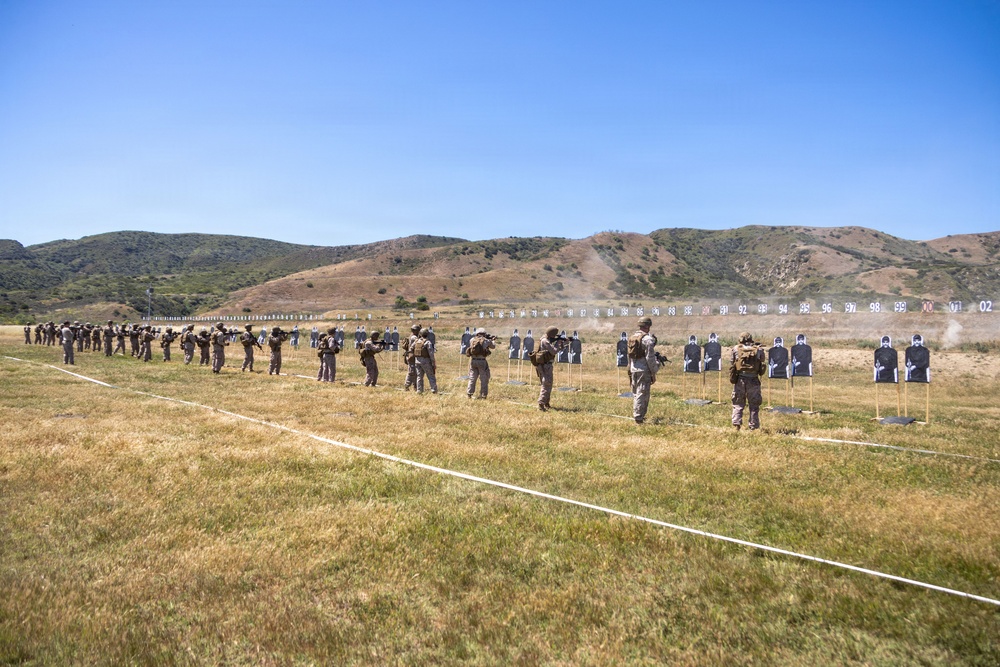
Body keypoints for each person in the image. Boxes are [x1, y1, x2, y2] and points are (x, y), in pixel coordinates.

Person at [628, 316, 661, 424]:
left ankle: (639, 414)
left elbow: (630, 356)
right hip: (644, 370)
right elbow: (650, 358)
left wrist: (630, 369)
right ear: (648, 326)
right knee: (642, 394)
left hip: (634, 369)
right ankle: (638, 417)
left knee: (637, 393)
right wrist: (655, 369)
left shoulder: (632, 337)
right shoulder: (648, 339)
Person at [730, 331, 766, 431]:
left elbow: (732, 363)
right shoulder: (758, 349)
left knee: (738, 403)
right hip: (753, 379)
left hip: (740, 379)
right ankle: (753, 426)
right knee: (754, 404)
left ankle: (737, 424)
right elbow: (762, 360)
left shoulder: (736, 349)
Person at [534, 326, 566, 411]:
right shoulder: (545, 341)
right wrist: (558, 343)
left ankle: (546, 403)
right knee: (546, 384)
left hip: (544, 365)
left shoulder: (544, 339)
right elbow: (554, 351)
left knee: (548, 384)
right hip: (545, 366)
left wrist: (562, 343)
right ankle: (541, 403)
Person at [466, 327, 495, 399]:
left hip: (473, 361)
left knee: (472, 378)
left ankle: (469, 394)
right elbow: (493, 347)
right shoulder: (486, 341)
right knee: (484, 379)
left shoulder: (472, 340)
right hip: (482, 361)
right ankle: (483, 395)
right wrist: (493, 340)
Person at [412, 328, 437, 394]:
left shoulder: (416, 341)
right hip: (426, 362)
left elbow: (411, 348)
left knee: (419, 377)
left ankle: (419, 390)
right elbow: (431, 354)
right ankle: (433, 389)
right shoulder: (427, 342)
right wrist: (433, 363)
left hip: (417, 361)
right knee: (431, 376)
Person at [402, 324, 421, 390]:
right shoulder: (414, 338)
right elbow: (419, 342)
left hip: (412, 356)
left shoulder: (413, 336)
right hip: (411, 357)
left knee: (415, 372)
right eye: (418, 330)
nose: (419, 331)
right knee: (411, 372)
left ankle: (415, 386)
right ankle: (406, 386)